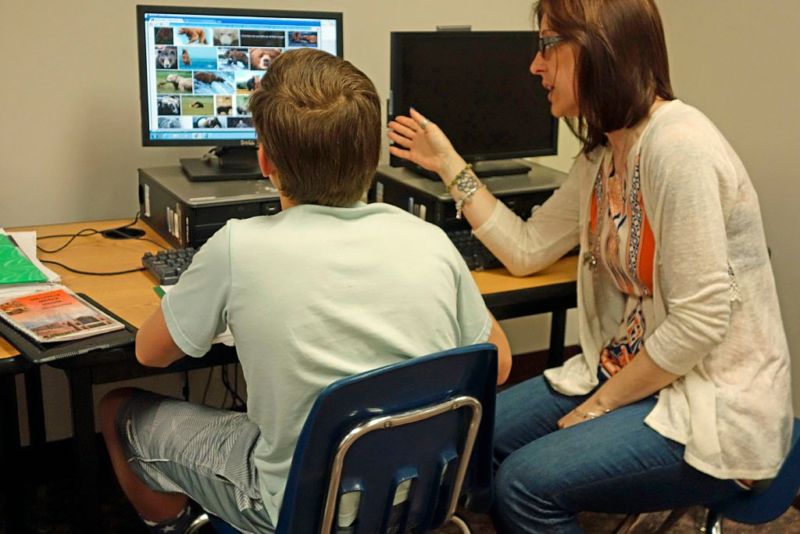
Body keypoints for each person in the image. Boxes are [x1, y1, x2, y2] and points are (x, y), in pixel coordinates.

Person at [388, 0, 793, 532]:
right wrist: (449, 165)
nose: (535, 65)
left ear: (601, 50)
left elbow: (701, 319)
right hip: (629, 374)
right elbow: (529, 248)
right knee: (466, 437)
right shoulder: (603, 156)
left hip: (711, 407)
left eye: (549, 45)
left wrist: (599, 406)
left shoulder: (680, 147)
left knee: (524, 486)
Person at [99, 48, 511, 534]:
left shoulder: (238, 247)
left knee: (116, 410)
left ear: (265, 160)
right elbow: (499, 362)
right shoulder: (430, 240)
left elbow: (150, 353)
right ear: (371, 157)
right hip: (424, 493)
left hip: (299, 509)